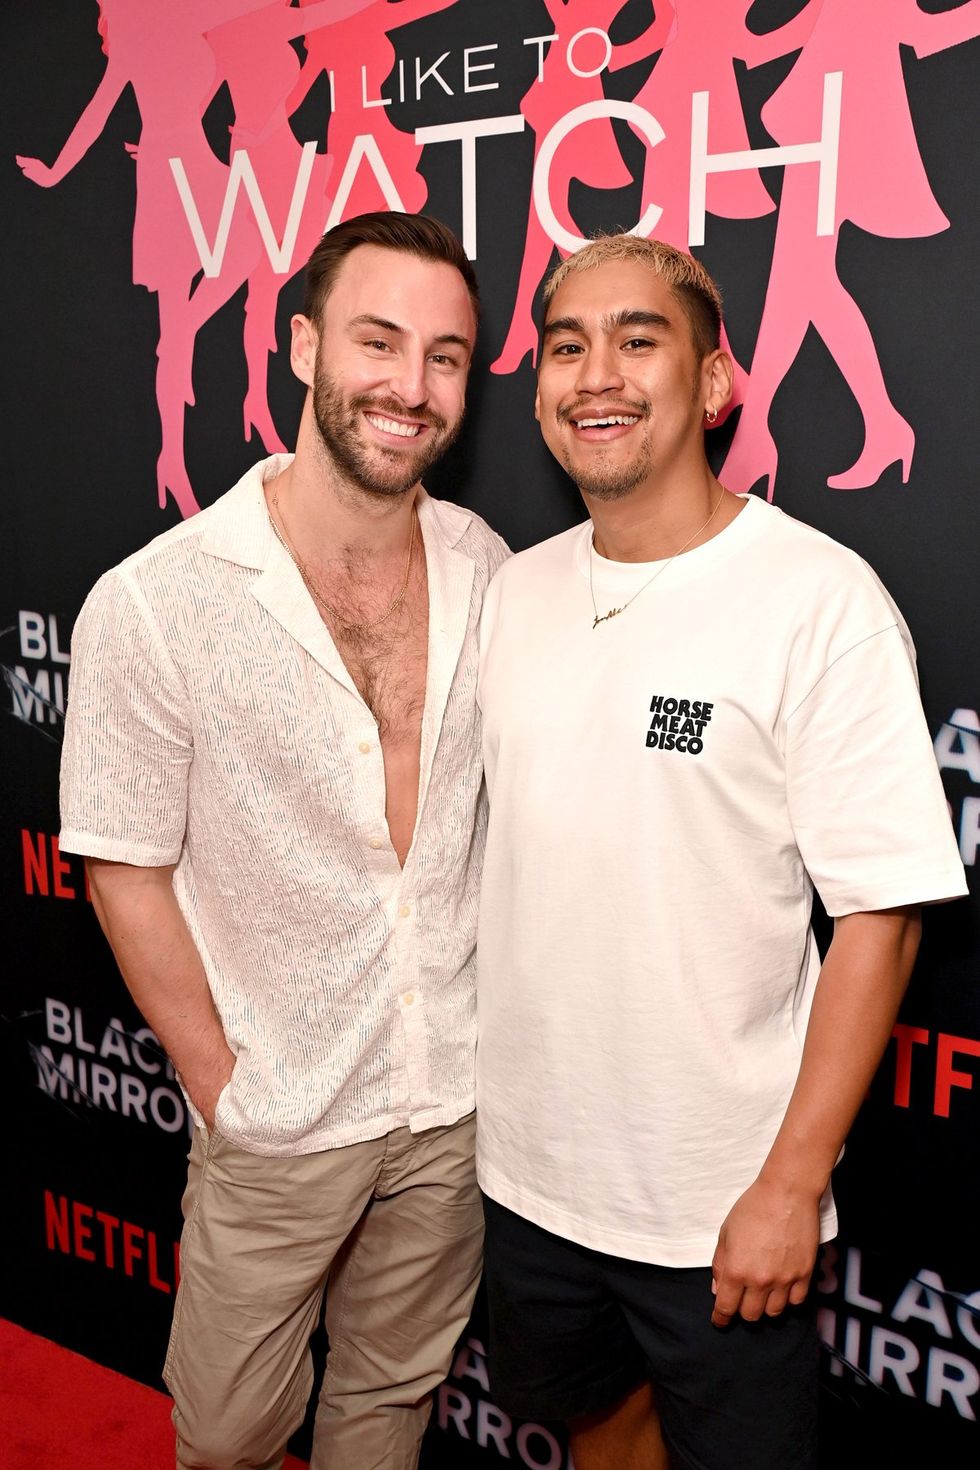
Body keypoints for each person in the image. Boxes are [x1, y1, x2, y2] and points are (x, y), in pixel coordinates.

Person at [475, 234, 967, 1470]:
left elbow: (879, 920)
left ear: (712, 383)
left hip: (717, 1198)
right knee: (594, 1424)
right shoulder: (510, 595)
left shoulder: (818, 601)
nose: (596, 374)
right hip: (527, 1175)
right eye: (566, 346)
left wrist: (788, 1185)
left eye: (636, 340)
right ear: (536, 392)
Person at [59, 210, 508, 1470]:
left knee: (389, 1399)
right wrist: (226, 1086)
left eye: (444, 357)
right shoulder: (157, 601)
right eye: (377, 341)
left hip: (452, 1097)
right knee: (229, 1437)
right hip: (281, 1109)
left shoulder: (487, 569)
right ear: (303, 346)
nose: (408, 386)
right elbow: (122, 865)